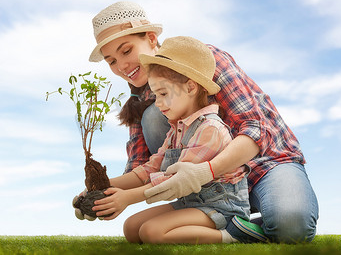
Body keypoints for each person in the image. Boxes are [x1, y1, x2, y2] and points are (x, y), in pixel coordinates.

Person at [74, 1, 318, 243]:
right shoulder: (143, 99)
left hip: (265, 164)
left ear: (150, 38)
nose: (122, 65)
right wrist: (102, 193)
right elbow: (145, 166)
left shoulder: (203, 61)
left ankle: (236, 229)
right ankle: (236, 223)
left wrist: (204, 171)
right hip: (201, 190)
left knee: (291, 226)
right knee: (152, 117)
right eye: (112, 61)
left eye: (126, 51)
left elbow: (255, 129)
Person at [94, 35, 254, 244]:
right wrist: (101, 188)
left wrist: (128, 198)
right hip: (191, 201)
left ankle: (233, 236)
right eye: (155, 95)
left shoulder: (210, 129)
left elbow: (173, 181)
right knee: (132, 229)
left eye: (162, 93)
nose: (158, 103)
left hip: (220, 206)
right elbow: (151, 168)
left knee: (152, 232)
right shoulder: (177, 128)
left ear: (190, 87)